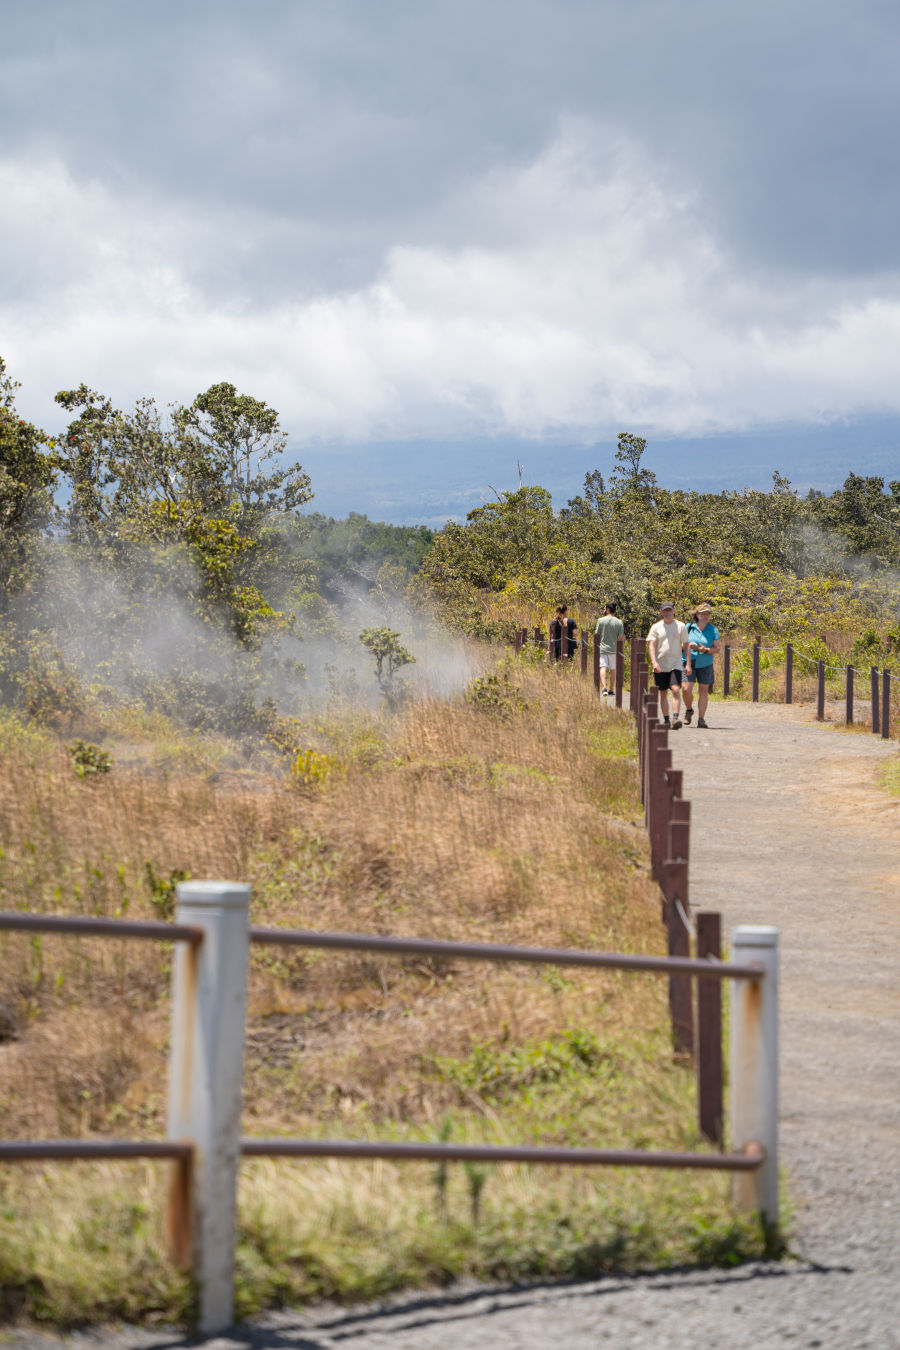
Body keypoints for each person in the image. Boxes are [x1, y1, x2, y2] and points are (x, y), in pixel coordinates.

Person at [646, 601, 692, 728]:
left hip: (675, 664)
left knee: (676, 690)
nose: (667, 613)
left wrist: (688, 664)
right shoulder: (656, 627)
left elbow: (686, 645)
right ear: (661, 612)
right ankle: (666, 719)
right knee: (663, 692)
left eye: (669, 610)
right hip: (661, 664)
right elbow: (652, 645)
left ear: (674, 611)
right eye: (665, 611)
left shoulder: (680, 626)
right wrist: (654, 662)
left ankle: (675, 718)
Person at [682, 602, 720, 728]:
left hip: (706, 663)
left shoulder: (713, 629)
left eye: (708, 614)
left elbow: (717, 648)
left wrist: (705, 650)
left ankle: (701, 719)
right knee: (686, 689)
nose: (706, 616)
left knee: (703, 690)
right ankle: (689, 710)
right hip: (689, 661)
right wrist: (689, 645)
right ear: (697, 615)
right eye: (703, 614)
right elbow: (681, 645)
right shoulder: (688, 627)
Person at [594, 601, 624, 696]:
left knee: (603, 667)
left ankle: (604, 687)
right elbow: (620, 637)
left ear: (607, 609)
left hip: (602, 648)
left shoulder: (601, 620)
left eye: (604, 608)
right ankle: (611, 688)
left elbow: (597, 634)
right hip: (614, 649)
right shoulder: (619, 622)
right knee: (613, 669)